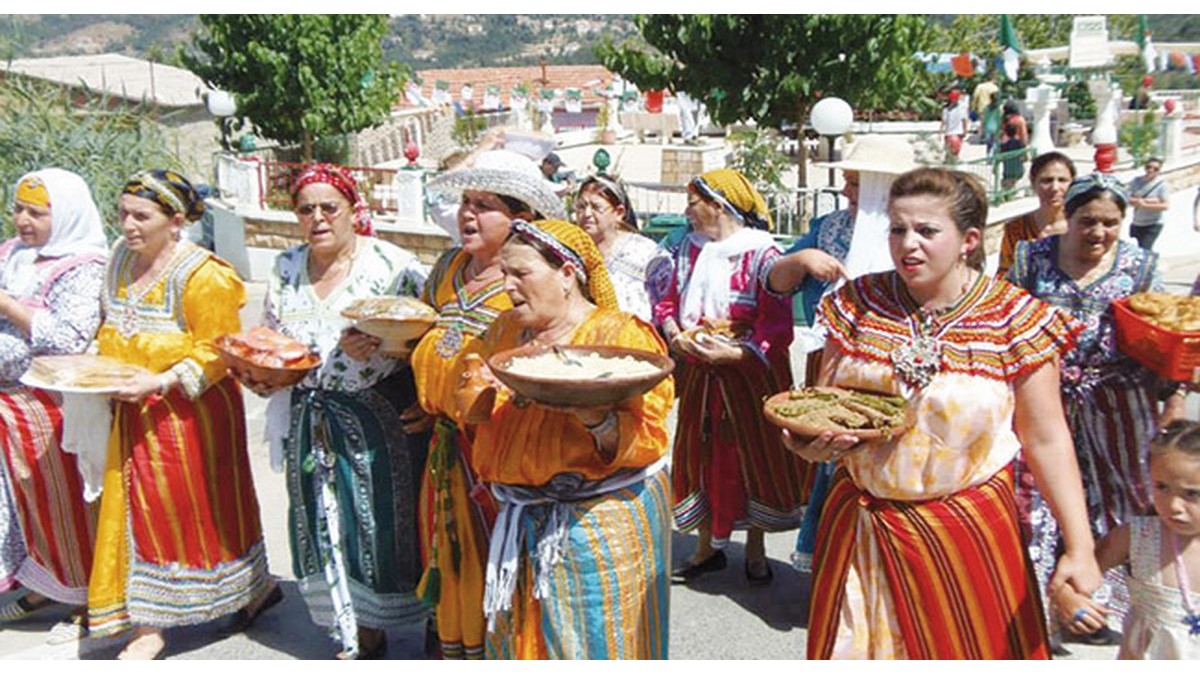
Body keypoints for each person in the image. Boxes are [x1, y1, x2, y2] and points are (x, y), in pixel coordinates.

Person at [793, 167, 1100, 659]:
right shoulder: (856, 303)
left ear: (969, 239)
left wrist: (1080, 547)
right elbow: (822, 406)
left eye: (927, 231)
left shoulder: (1013, 318)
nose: (907, 244)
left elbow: (1047, 440)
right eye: (897, 228)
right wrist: (807, 444)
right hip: (860, 533)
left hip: (965, 532)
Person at [228, 163, 430, 660]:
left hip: (378, 416)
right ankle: (350, 619)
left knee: (381, 524)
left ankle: (384, 621)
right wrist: (259, 373)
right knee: (320, 516)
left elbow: (429, 338)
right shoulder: (285, 267)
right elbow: (270, 336)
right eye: (305, 209)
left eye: (328, 208)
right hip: (309, 414)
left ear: (353, 210)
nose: (317, 218)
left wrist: (387, 350)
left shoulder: (394, 265)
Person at [461, 219, 673, 659]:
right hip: (519, 518)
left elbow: (649, 433)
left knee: (594, 646)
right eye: (504, 274)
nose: (508, 287)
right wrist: (471, 387)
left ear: (566, 274)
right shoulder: (502, 332)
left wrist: (597, 420)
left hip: (596, 524)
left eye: (521, 274)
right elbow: (474, 411)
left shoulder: (620, 337)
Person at [89, 170, 276, 659]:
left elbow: (219, 352)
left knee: (193, 510)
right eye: (123, 213)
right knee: (136, 512)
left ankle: (221, 599)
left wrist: (161, 380)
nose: (128, 225)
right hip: (130, 411)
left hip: (189, 416)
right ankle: (148, 621)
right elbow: (112, 322)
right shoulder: (119, 259)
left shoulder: (204, 275)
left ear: (175, 221)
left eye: (141, 216)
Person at [1008, 173, 1183, 636]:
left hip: (1120, 403)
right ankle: (1044, 602)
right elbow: (1004, 319)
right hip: (1044, 400)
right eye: (1088, 221)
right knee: (1036, 496)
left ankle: (1107, 606)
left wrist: (1175, 396)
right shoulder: (1032, 259)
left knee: (1126, 500)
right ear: (1068, 215)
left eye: (1110, 223)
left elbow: (1166, 336)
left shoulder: (1140, 266)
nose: (1099, 233)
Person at [414, 148, 565, 659]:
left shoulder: (527, 283)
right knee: (449, 553)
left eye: (483, 205)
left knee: (495, 558)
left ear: (520, 218)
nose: (467, 214)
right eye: (465, 202)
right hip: (443, 443)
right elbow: (425, 333)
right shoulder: (448, 266)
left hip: (496, 451)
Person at [765, 136, 916, 571]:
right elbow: (774, 280)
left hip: (896, 375)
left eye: (855, 183)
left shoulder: (913, 240)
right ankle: (836, 569)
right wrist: (804, 260)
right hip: (830, 364)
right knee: (835, 469)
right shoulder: (828, 229)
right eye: (848, 182)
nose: (847, 192)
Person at [659, 168, 811, 585]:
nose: (687, 211)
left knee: (752, 453)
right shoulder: (683, 250)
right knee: (701, 449)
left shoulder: (762, 255)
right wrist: (674, 333)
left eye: (693, 203)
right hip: (701, 369)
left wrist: (739, 352)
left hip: (749, 373)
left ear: (718, 205)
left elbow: (776, 325)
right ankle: (707, 545)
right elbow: (666, 300)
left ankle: (756, 548)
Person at [0, 169, 106, 637]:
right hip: (8, 401)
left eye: (37, 213)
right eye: (19, 209)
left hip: (47, 407)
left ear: (64, 216)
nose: (23, 220)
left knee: (60, 506)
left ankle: (83, 595)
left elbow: (68, 337)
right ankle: (39, 582)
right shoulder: (13, 254)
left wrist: (6, 305)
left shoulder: (83, 266)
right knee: (19, 506)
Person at [1054, 420, 1200, 659]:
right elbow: (1079, 574)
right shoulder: (1139, 537)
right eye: (1162, 487)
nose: (1174, 505)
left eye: (1192, 493)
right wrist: (1068, 598)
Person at [572, 174, 672, 324]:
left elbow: (667, 300)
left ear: (619, 213)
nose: (586, 214)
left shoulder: (645, 252)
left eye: (596, 207)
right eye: (581, 207)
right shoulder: (572, 251)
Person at [996, 152, 1077, 277]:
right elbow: (1005, 273)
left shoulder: (1081, 227)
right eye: (1047, 180)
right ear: (1033, 183)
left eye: (1062, 180)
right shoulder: (1016, 229)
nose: (1055, 187)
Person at [1127, 157, 1170, 251]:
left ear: (1159, 171)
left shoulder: (1162, 185)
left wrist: (1145, 204)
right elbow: (1126, 198)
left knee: (1144, 250)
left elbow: (1165, 205)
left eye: (1155, 169)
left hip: (1153, 224)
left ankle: (1146, 265)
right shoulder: (1136, 181)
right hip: (1137, 223)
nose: (1151, 170)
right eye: (1149, 167)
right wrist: (1151, 200)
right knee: (1138, 250)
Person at [941, 90, 969, 160]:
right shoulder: (962, 108)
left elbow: (943, 122)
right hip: (957, 134)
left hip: (950, 134)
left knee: (949, 153)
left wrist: (941, 132)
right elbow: (964, 120)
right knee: (955, 154)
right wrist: (965, 131)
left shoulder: (946, 109)